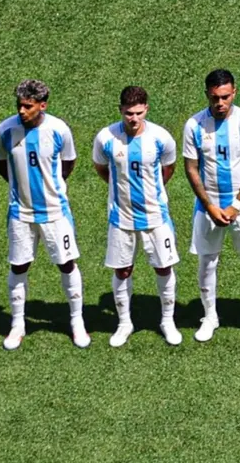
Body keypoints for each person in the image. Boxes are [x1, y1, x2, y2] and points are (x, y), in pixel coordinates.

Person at [0, 79, 89, 350]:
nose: (22, 111)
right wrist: (18, 188)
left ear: (42, 105)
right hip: (20, 214)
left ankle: (77, 321)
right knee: (19, 265)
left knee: (66, 264)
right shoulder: (5, 130)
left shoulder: (59, 130)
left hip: (56, 212)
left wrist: (52, 189)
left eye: (28, 106)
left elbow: (68, 163)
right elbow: (0, 162)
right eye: (19, 105)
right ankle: (18, 324)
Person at [183, 69, 240, 343]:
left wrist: (235, 206)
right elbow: (191, 169)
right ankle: (210, 316)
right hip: (208, 208)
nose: (220, 103)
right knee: (207, 262)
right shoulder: (194, 125)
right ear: (206, 95)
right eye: (214, 98)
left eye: (225, 97)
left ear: (234, 92)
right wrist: (209, 206)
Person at [92, 86, 182, 347]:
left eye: (139, 113)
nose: (133, 118)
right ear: (120, 110)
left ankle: (167, 321)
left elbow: (168, 168)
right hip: (121, 218)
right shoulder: (105, 138)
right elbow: (101, 168)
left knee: (163, 267)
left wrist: (150, 194)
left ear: (147, 110)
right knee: (122, 270)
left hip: (156, 217)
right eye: (128, 113)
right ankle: (124, 323)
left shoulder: (161, 138)